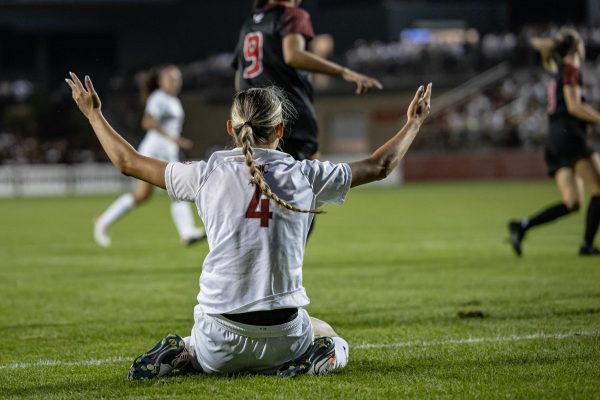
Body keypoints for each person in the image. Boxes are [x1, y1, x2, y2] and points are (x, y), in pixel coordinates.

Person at [66, 71, 431, 378]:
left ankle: (186, 353)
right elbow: (379, 166)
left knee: (200, 343)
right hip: (285, 340)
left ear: (230, 127)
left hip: (218, 343)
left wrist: (93, 115)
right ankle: (324, 356)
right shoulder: (306, 174)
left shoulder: (206, 173)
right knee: (328, 333)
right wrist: (413, 122)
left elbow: (127, 162)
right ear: (280, 130)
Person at [232, 0, 382, 162]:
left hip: (254, 117)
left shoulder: (248, 25)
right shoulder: (291, 15)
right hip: (289, 112)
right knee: (311, 179)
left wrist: (246, 110)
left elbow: (239, 78)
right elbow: (293, 56)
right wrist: (344, 72)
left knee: (261, 176)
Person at [508, 28, 600, 256]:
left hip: (555, 138)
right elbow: (573, 105)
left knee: (573, 202)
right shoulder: (571, 69)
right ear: (577, 47)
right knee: (599, 190)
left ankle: (522, 226)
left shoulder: (557, 72)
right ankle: (586, 245)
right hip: (570, 135)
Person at [93, 65, 205, 247]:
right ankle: (187, 231)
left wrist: (174, 142)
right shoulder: (158, 98)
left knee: (144, 195)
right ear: (161, 81)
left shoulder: (173, 100)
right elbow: (147, 121)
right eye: (171, 79)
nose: (175, 83)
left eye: (178, 79)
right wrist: (175, 139)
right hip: (154, 149)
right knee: (177, 190)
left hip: (167, 151)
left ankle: (104, 221)